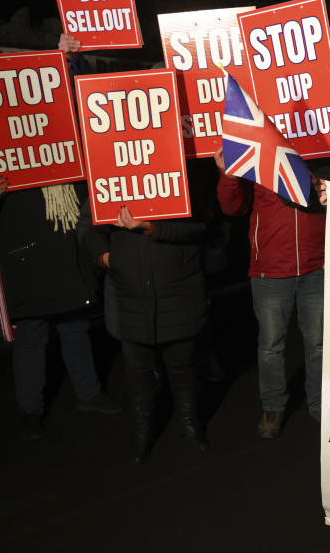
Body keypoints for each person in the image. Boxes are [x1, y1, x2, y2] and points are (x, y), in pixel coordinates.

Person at [0, 154, 119, 440]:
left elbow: (90, 202)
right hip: (29, 268)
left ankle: (89, 394)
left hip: (68, 261)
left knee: (75, 328)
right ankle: (30, 410)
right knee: (32, 335)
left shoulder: (67, 151)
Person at [79, 178, 213, 462]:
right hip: (129, 296)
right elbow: (89, 227)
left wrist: (151, 227)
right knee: (138, 372)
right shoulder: (108, 178)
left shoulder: (179, 172)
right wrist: (104, 258)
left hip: (179, 292)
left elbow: (201, 227)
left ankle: (190, 425)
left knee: (183, 368)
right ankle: (143, 431)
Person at [214, 148, 326, 439]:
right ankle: (273, 406)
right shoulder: (258, 152)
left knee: (319, 343)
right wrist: (228, 173)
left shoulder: (321, 147)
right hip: (271, 270)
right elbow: (231, 207)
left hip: (318, 265)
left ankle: (319, 402)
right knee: (271, 346)